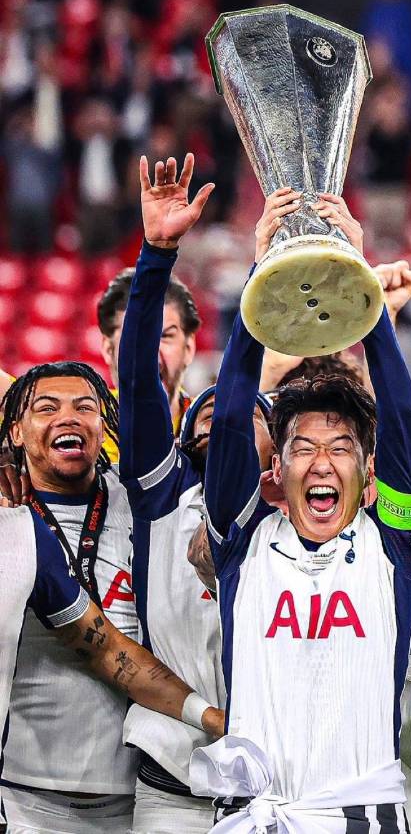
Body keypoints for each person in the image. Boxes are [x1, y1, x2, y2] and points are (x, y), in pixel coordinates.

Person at [198, 175, 411, 831]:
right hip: (252, 816)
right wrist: (259, 279)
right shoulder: (242, 543)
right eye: (302, 447)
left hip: (362, 817)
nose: (322, 461)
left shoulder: (395, 547)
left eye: (341, 447)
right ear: (276, 467)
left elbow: (398, 417)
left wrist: (361, 286)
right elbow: (230, 420)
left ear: (367, 469)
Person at [116, 153, 273, 833]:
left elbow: (237, 399)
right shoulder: (162, 493)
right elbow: (137, 378)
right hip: (169, 784)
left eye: (232, 417)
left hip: (272, 779)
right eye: (198, 414)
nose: (214, 417)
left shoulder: (287, 519)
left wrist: (263, 275)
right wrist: (156, 256)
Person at [0, 360, 221, 833]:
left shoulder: (140, 502)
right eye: (47, 408)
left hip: (138, 796)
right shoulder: (10, 519)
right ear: (15, 431)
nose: (68, 417)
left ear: (104, 425)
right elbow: (107, 649)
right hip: (23, 796)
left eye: (85, 407)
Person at [0, 504, 223, 834]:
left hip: (123, 803)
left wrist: (209, 716)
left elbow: (108, 649)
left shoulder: (21, 532)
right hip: (24, 802)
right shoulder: (20, 518)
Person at [97, 261, 200, 461]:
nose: (149, 351)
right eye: (134, 336)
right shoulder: (82, 430)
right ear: (108, 349)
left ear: (188, 348)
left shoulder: (210, 430)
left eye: (165, 336)